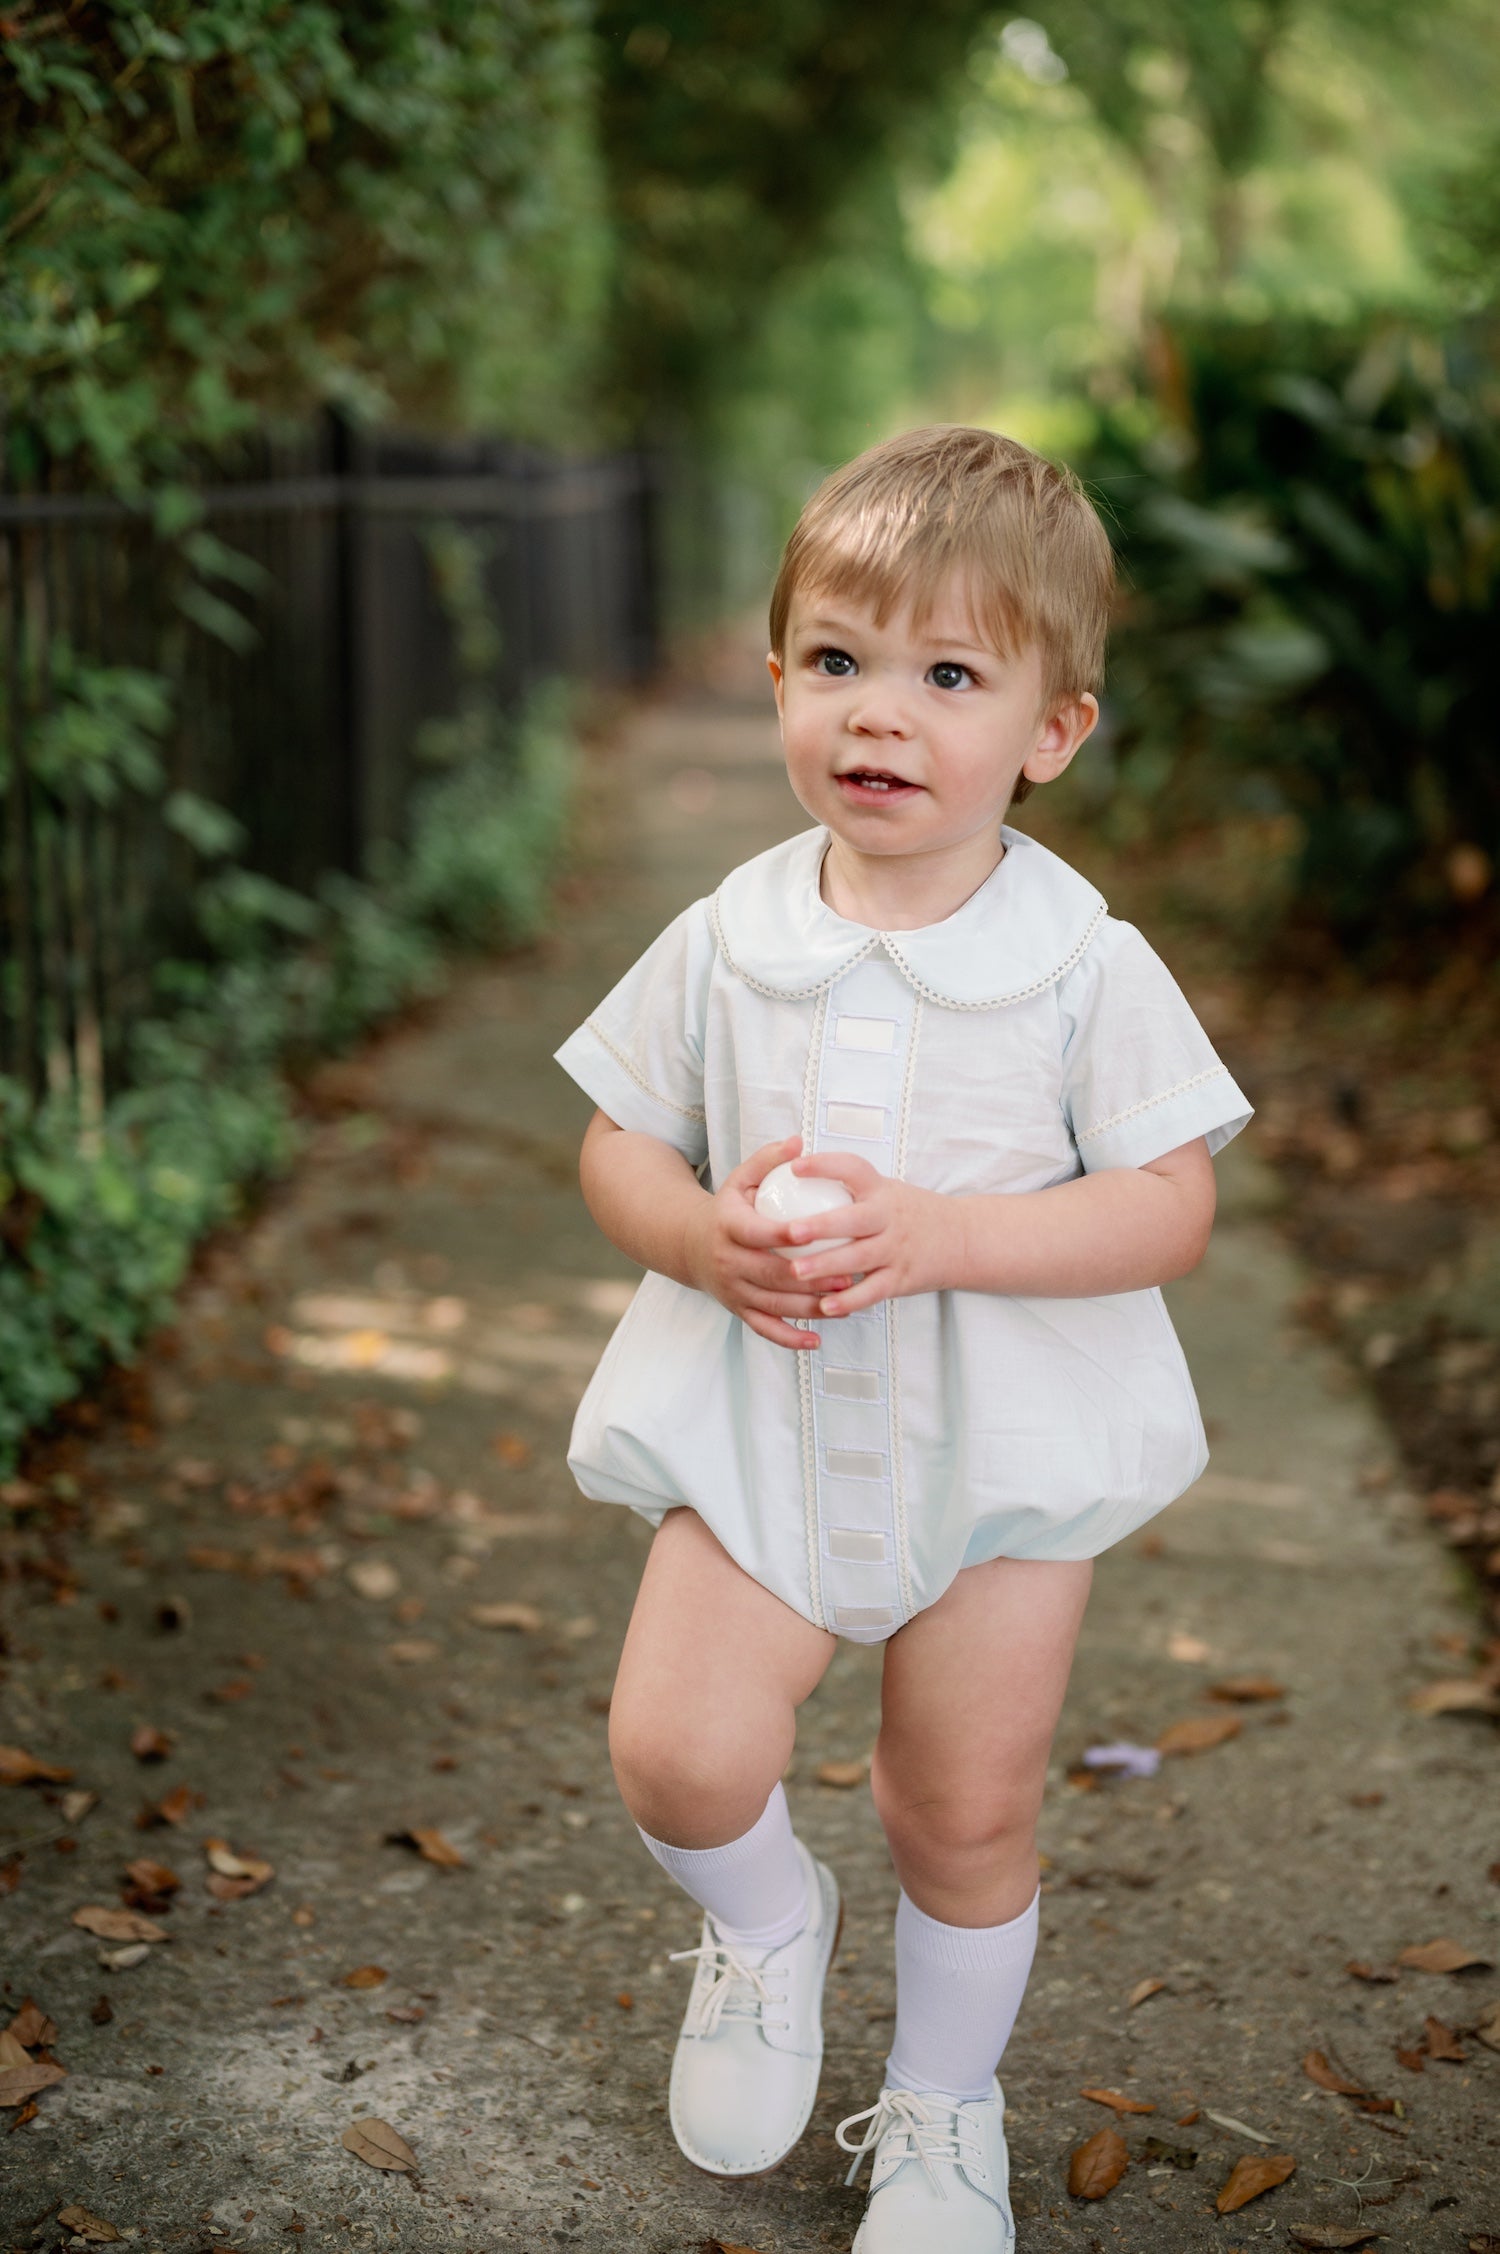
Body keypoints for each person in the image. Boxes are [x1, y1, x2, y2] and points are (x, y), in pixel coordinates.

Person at [554, 425, 1251, 2251]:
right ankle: (768, 1920)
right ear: (779, 677)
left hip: (995, 1455)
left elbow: (1169, 1205)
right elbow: (618, 1140)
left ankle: (944, 2106)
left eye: (950, 675)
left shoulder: (1082, 961)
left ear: (1051, 730)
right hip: (762, 1423)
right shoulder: (730, 934)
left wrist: (946, 1232)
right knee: (677, 1748)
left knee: (961, 1805)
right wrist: (695, 1236)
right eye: (838, 659)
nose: (881, 710)